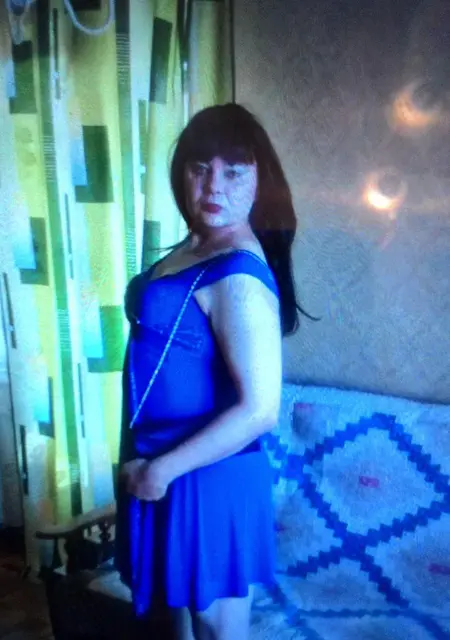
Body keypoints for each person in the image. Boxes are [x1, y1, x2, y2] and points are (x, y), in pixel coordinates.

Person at [115, 103, 306, 640]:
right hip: (165, 467)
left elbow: (260, 410)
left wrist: (159, 471)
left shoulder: (239, 272)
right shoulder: (195, 246)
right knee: (176, 626)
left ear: (260, 181)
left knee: (217, 631)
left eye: (234, 171)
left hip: (207, 477)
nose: (214, 186)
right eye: (200, 168)